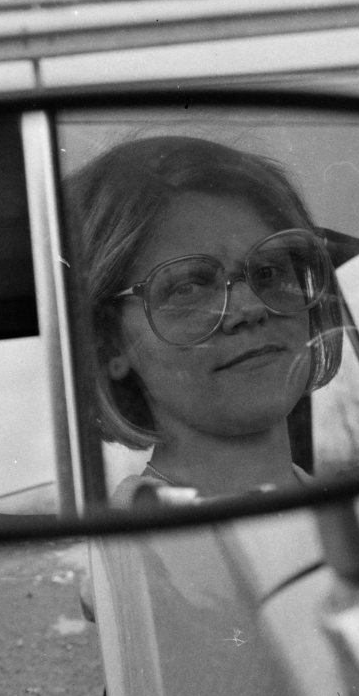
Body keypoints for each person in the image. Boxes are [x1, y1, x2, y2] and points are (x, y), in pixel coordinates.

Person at [68, 135, 343, 506]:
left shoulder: (349, 508)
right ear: (110, 344)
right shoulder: (125, 550)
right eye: (187, 288)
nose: (250, 307)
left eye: (269, 271)